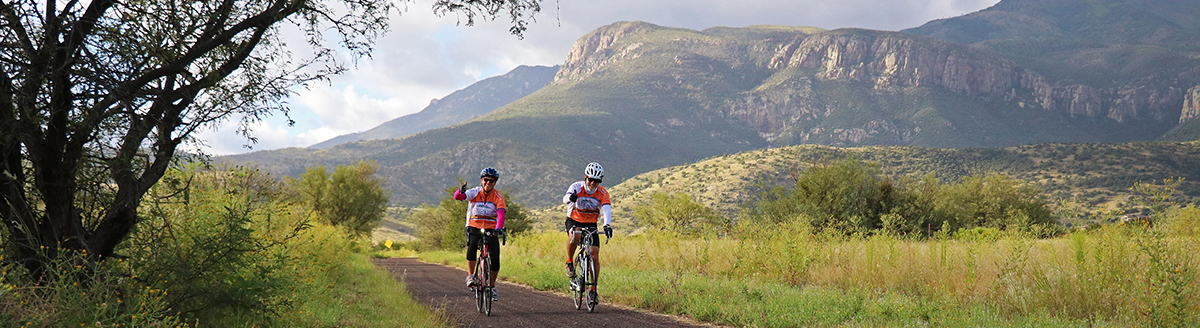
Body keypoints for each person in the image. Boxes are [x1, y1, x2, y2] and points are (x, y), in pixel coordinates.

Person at [454, 167, 507, 301]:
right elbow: (458, 197)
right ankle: (471, 276)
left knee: (495, 257)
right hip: (474, 226)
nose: (488, 183)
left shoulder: (498, 196)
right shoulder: (474, 192)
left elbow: (501, 214)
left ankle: (492, 286)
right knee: (472, 246)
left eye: (492, 181)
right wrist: (460, 191)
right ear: (482, 180)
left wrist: (498, 228)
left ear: (495, 183)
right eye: (486, 180)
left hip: (490, 228)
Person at [562, 162, 613, 298]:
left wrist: (607, 225)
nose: (592, 183)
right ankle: (569, 262)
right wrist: (570, 198)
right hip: (574, 219)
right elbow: (565, 198)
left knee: (594, 254)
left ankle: (593, 290)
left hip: (591, 223)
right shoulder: (577, 187)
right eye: (590, 179)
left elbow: (607, 209)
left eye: (596, 181)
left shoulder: (602, 193)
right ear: (585, 177)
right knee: (576, 234)